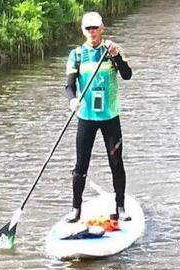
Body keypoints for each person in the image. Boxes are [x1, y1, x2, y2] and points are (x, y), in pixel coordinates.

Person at [63, 11, 132, 223]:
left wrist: (117, 56)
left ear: (102, 28)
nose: (92, 32)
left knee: (116, 162)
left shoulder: (111, 50)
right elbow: (69, 85)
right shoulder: (76, 55)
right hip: (86, 117)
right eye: (88, 29)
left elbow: (127, 75)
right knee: (81, 164)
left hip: (110, 117)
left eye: (96, 28)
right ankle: (76, 209)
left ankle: (120, 206)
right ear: (83, 31)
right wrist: (72, 100)